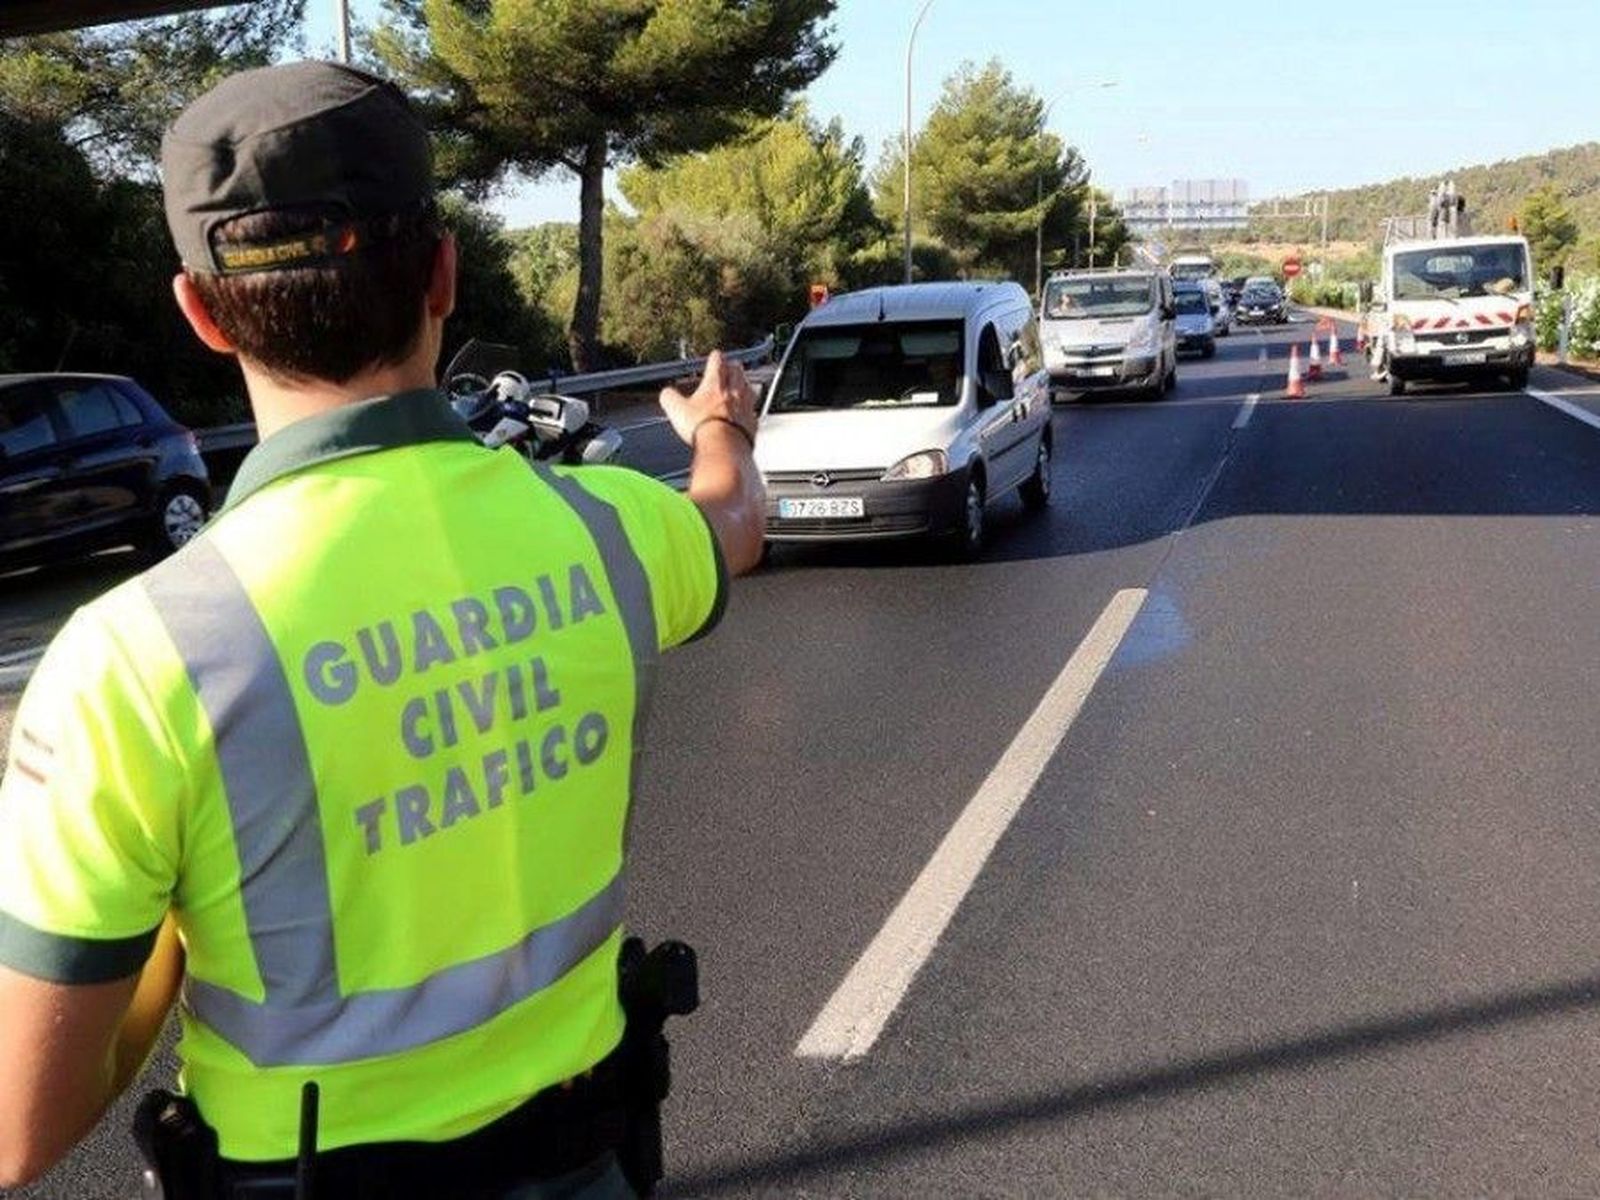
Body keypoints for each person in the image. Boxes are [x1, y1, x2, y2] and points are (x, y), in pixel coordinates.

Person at [0, 60, 765, 1196]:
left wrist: (157, 951)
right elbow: (732, 528)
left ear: (201, 313)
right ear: (445, 275)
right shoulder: (607, 531)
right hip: (588, 1159)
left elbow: (20, 1129)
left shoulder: (131, 662)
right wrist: (719, 430)